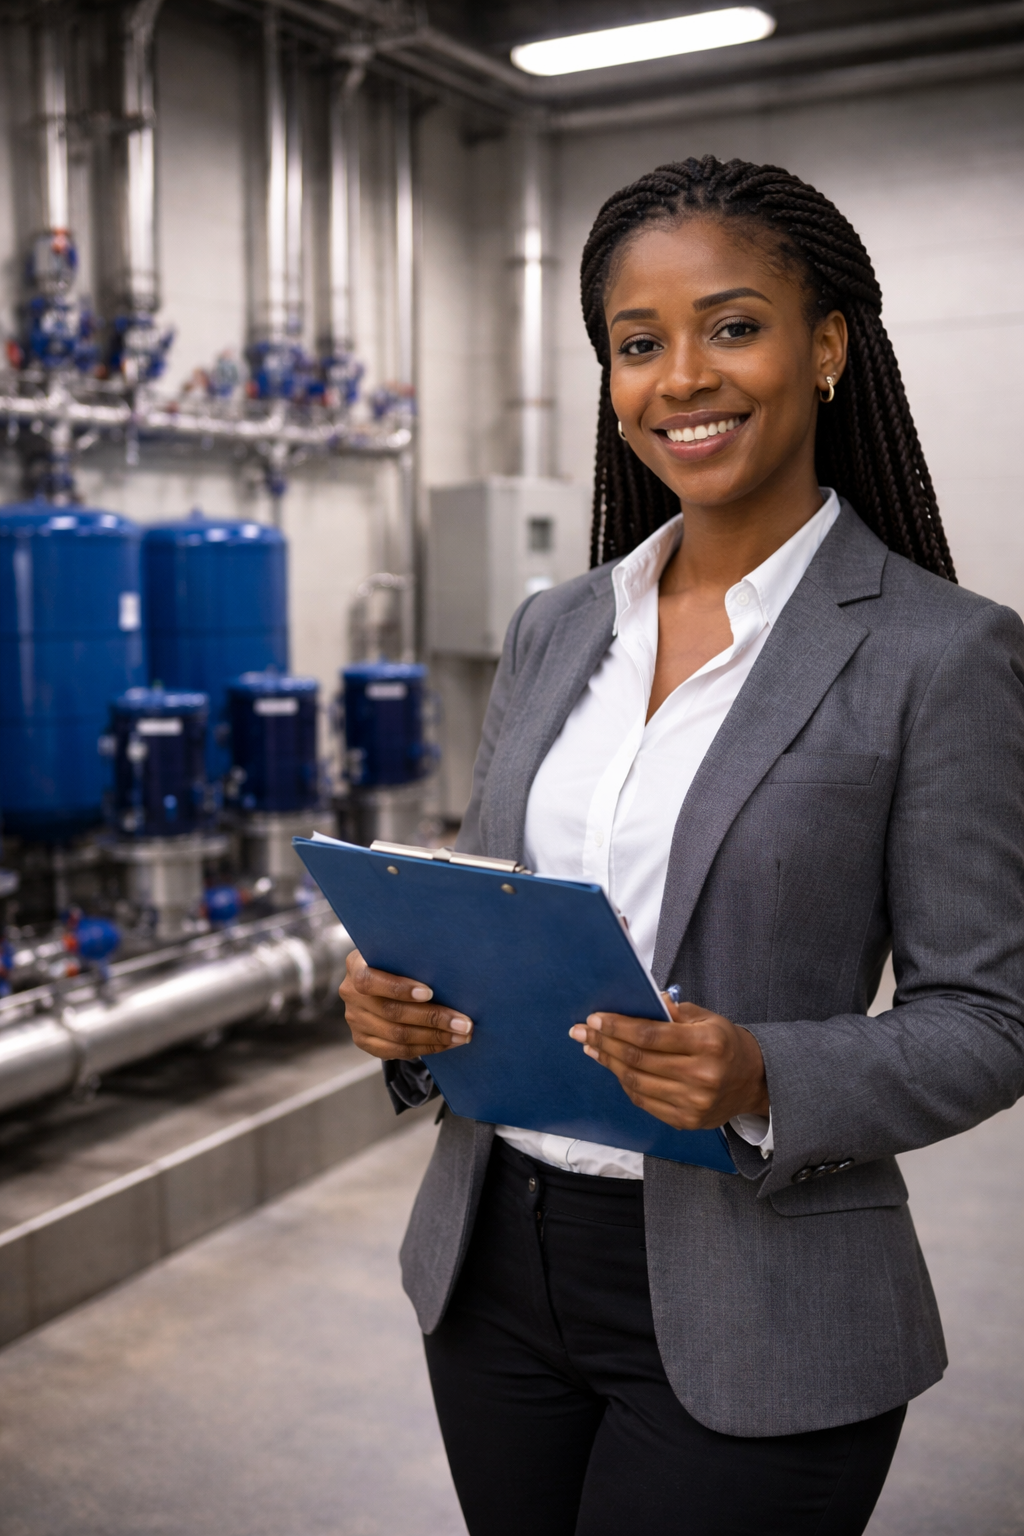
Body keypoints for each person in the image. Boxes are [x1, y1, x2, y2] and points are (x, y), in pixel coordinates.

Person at [340, 156, 1024, 1536]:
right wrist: (405, 1008)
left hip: (760, 1292)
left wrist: (766, 1069)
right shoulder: (557, 625)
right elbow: (492, 911)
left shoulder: (939, 656)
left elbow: (992, 1017)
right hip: (494, 1269)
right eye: (637, 345)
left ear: (826, 346)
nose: (681, 378)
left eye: (733, 326)